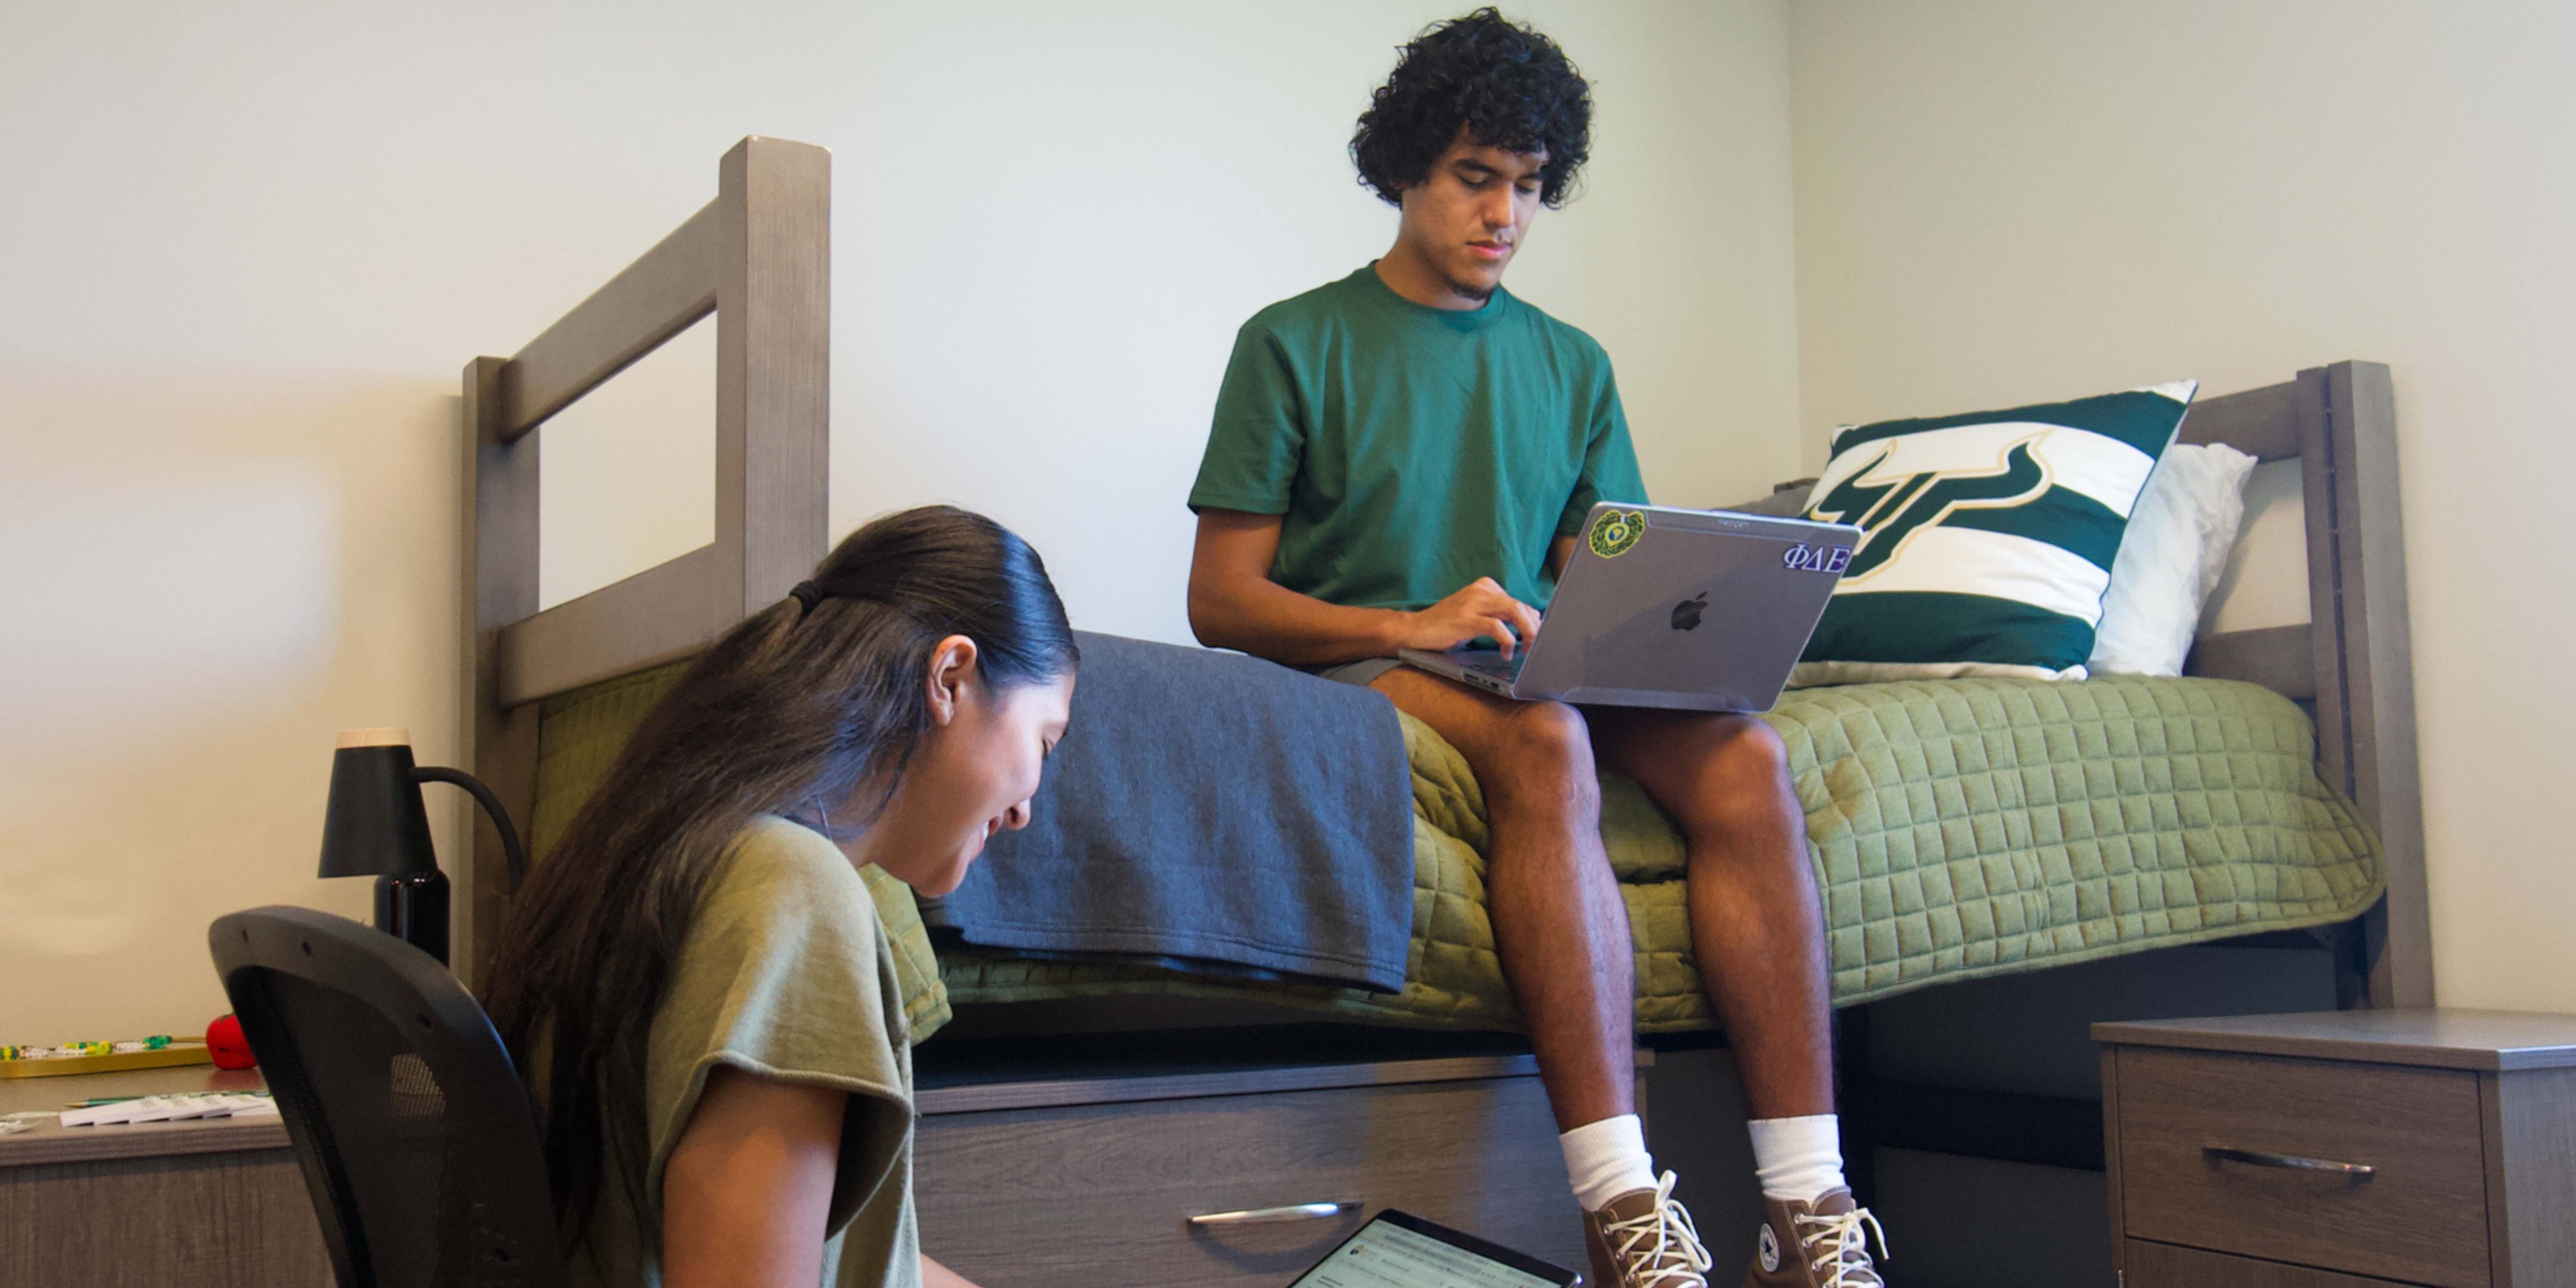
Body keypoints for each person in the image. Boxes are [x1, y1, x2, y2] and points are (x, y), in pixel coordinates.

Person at [1184, 12, 1886, 1288]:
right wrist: (1410, 622)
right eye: (1473, 176)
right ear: (1405, 169)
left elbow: (1595, 575)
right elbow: (1220, 600)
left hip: (1517, 654)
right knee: (1545, 737)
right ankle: (1622, 1208)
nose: (1503, 211)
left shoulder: (1574, 363)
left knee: (1742, 756)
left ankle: (1807, 1210)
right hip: (1371, 657)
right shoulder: (1292, 341)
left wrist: (1692, 628)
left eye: (1525, 184)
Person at [481, 505, 1078, 1288]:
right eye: (1043, 742)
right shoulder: (795, 894)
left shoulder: (688, 843)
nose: (1026, 808)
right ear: (950, 677)